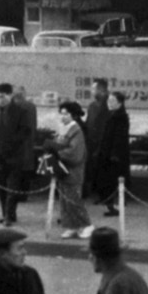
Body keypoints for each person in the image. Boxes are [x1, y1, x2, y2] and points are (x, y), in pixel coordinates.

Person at [0, 83, 34, 225]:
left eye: (1, 96)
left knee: (12, 187)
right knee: (2, 187)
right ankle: (6, 214)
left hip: (15, 155)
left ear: (9, 95)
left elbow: (25, 132)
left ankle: (9, 215)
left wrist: (9, 145)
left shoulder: (21, 111)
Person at [45, 101, 92, 237]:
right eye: (61, 113)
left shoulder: (76, 131)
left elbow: (75, 153)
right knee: (65, 200)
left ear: (74, 115)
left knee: (74, 200)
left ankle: (86, 225)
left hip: (73, 170)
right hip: (63, 169)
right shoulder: (66, 129)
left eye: (66, 114)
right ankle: (72, 226)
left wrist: (57, 153)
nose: (63, 116)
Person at [89, 91, 133, 216]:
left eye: (113, 101)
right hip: (106, 153)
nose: (110, 103)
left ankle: (115, 205)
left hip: (115, 156)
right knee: (106, 181)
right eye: (109, 100)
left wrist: (114, 154)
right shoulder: (111, 115)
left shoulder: (121, 117)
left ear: (119, 103)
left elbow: (119, 138)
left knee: (114, 181)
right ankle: (109, 204)